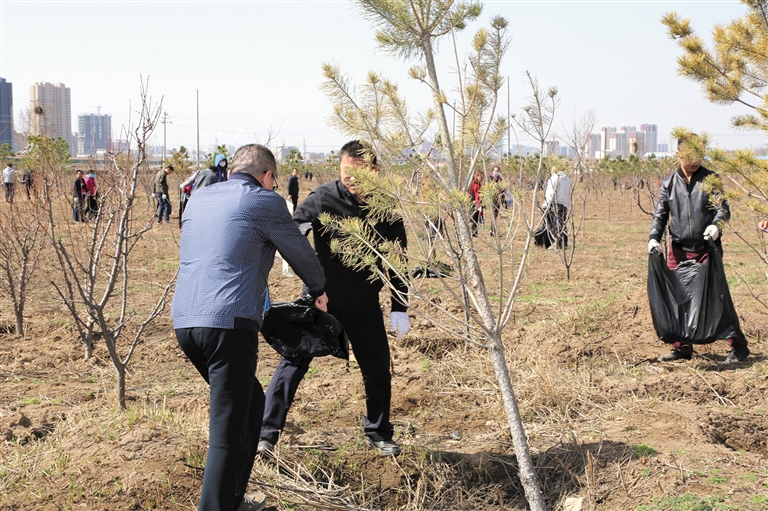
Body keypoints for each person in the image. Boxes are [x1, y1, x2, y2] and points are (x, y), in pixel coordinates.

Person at [172, 144, 328, 511]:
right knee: (227, 431)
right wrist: (318, 289)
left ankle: (233, 499)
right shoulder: (264, 200)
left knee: (251, 404)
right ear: (267, 175)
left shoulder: (199, 199)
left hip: (186, 322)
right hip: (228, 326)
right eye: (273, 181)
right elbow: (300, 252)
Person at [259, 140, 410, 457]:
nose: (351, 179)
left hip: (364, 303)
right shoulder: (323, 198)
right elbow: (296, 227)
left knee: (377, 368)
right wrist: (295, 248)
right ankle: (266, 434)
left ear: (374, 170)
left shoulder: (385, 208)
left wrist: (400, 306)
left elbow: (398, 261)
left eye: (359, 172)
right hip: (322, 299)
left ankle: (379, 432)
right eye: (346, 172)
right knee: (293, 361)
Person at [648, 133, 750, 364]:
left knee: (717, 296)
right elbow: (660, 215)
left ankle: (738, 347)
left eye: (698, 155)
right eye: (689, 156)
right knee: (678, 298)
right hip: (678, 249)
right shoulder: (668, 184)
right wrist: (654, 238)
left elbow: (723, 209)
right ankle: (682, 347)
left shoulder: (711, 180)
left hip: (706, 248)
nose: (694, 161)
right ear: (678, 154)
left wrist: (716, 226)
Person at [543, 163, 571, 249]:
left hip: (555, 203)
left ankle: (556, 242)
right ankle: (564, 244)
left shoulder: (553, 179)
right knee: (562, 224)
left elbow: (550, 194)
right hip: (564, 204)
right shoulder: (567, 179)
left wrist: (545, 205)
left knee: (554, 224)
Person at [468, 170, 484, 236]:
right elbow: (477, 195)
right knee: (474, 219)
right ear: (477, 176)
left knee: (474, 218)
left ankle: (474, 232)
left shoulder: (474, 184)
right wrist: (478, 204)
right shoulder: (476, 185)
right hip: (475, 203)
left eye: (483, 178)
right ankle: (473, 233)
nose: (482, 179)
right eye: (481, 177)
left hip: (472, 203)